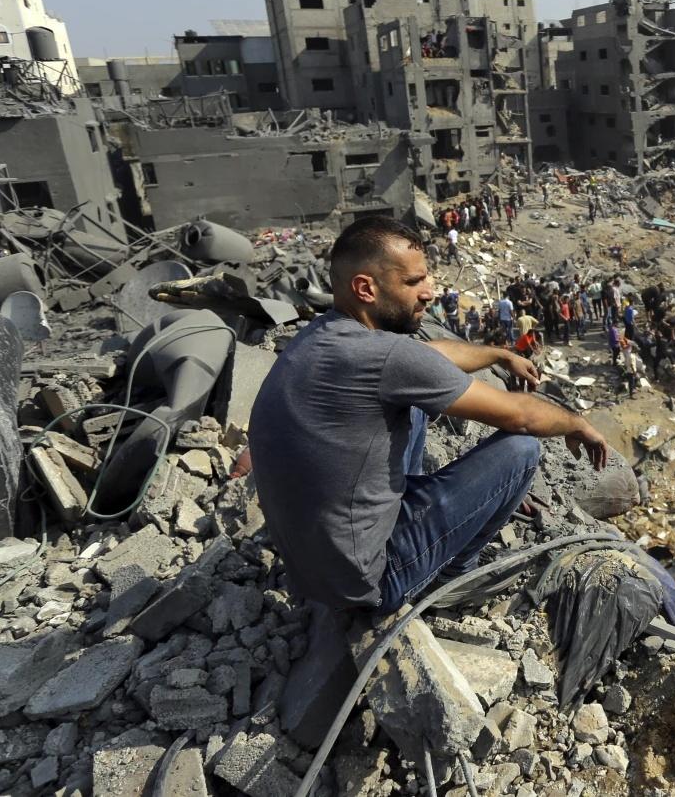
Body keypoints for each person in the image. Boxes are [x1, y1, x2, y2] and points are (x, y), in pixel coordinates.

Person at [247, 218, 608, 617]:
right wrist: (577, 423)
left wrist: (499, 355)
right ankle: (454, 574)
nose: (429, 292)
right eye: (413, 282)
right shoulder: (385, 357)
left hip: (314, 568)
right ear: (366, 289)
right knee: (521, 449)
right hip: (371, 582)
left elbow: (426, 358)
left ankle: (419, 520)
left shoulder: (324, 335)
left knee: (414, 408)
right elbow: (521, 417)